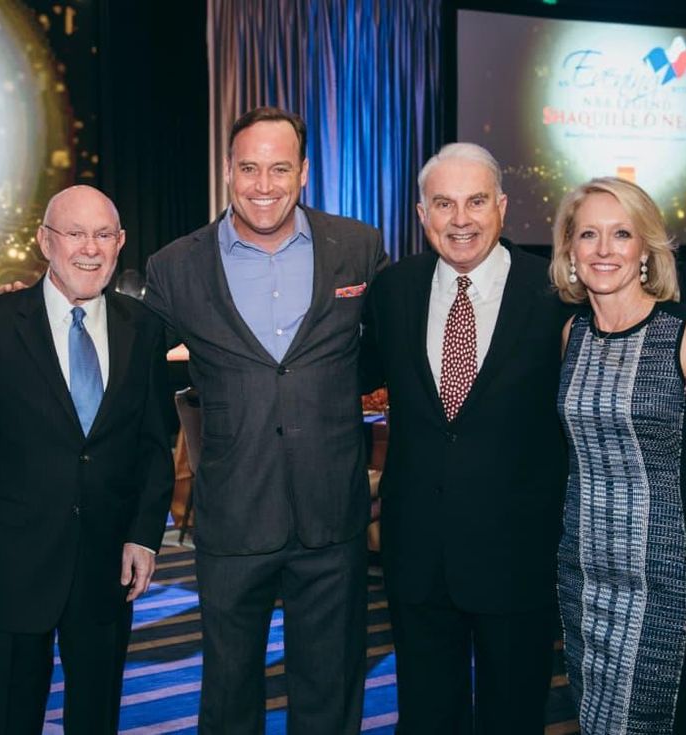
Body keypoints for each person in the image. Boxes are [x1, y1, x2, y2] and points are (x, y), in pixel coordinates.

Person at [143, 107, 388, 733]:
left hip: (331, 514)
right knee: (228, 693)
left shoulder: (357, 248)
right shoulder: (175, 266)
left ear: (304, 172)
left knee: (330, 687)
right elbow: (137, 382)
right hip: (232, 512)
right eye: (249, 167)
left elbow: (386, 354)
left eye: (280, 168)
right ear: (228, 171)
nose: (263, 184)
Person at [359, 143, 568, 734]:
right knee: (426, 716)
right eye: (444, 204)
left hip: (518, 555)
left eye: (476, 201)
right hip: (418, 555)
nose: (461, 219)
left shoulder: (554, 292)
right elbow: (351, 376)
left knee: (514, 716)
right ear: (421, 213)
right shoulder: (394, 290)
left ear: (501, 207)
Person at [0, 185, 173, 734]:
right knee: (7, 718)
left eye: (103, 234)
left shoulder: (143, 328)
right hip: (14, 566)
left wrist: (145, 534)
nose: (90, 248)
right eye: (75, 233)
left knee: (96, 717)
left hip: (107, 566)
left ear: (121, 242)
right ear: (45, 241)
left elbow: (153, 444)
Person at [551, 177, 686, 734]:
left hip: (668, 588)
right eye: (589, 234)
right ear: (570, 252)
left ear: (644, 251)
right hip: (582, 583)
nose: (604, 250)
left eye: (621, 234)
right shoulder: (572, 334)